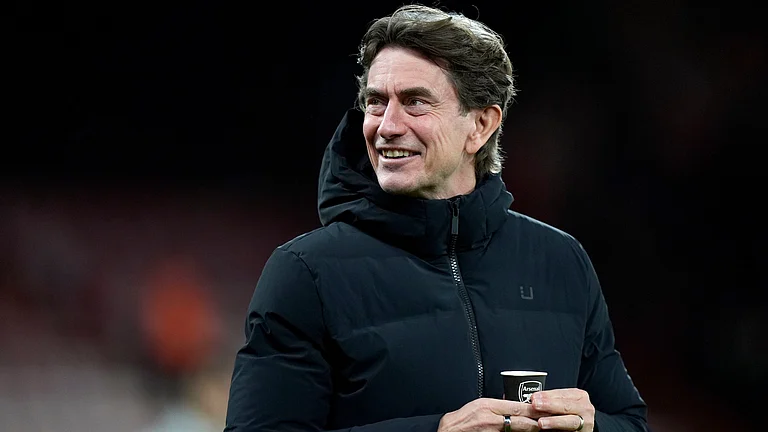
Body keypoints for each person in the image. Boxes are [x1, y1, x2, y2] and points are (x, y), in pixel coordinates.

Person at [225, 4, 648, 432]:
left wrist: (592, 427)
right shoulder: (305, 273)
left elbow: (630, 422)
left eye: (415, 102)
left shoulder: (560, 260)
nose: (387, 125)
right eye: (376, 102)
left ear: (481, 125)